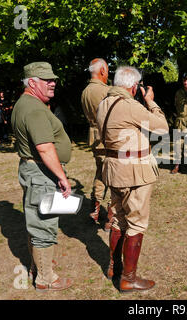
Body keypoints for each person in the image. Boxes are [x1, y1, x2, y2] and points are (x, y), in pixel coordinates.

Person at [96, 66, 169, 293]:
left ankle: (114, 268)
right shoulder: (130, 106)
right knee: (136, 222)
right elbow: (162, 128)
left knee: (118, 219)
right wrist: (151, 102)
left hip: (114, 170)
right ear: (134, 86)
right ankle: (128, 278)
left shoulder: (103, 104)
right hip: (134, 172)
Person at [11, 61, 73, 291]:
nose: (53, 83)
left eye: (53, 79)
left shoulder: (24, 103)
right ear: (32, 83)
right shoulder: (35, 109)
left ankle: (37, 267)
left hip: (34, 170)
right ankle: (46, 278)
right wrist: (62, 177)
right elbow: (45, 148)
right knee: (44, 224)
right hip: (41, 173)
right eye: (47, 80)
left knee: (36, 220)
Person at [81, 58, 111, 226]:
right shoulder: (105, 91)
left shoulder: (85, 91)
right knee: (114, 175)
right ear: (102, 71)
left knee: (100, 172)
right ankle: (110, 217)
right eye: (107, 70)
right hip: (107, 137)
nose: (107, 74)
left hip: (94, 137)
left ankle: (95, 209)